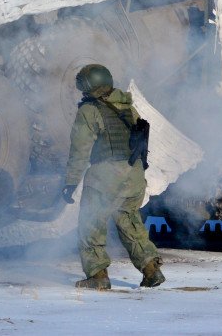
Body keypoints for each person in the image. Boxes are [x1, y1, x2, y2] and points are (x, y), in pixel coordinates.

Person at [60, 63, 164, 291]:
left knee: (91, 224)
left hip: (106, 176)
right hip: (134, 174)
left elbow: (80, 150)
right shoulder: (128, 107)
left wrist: (70, 181)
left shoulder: (89, 110)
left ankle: (98, 276)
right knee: (130, 222)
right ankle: (151, 270)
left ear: (88, 85)